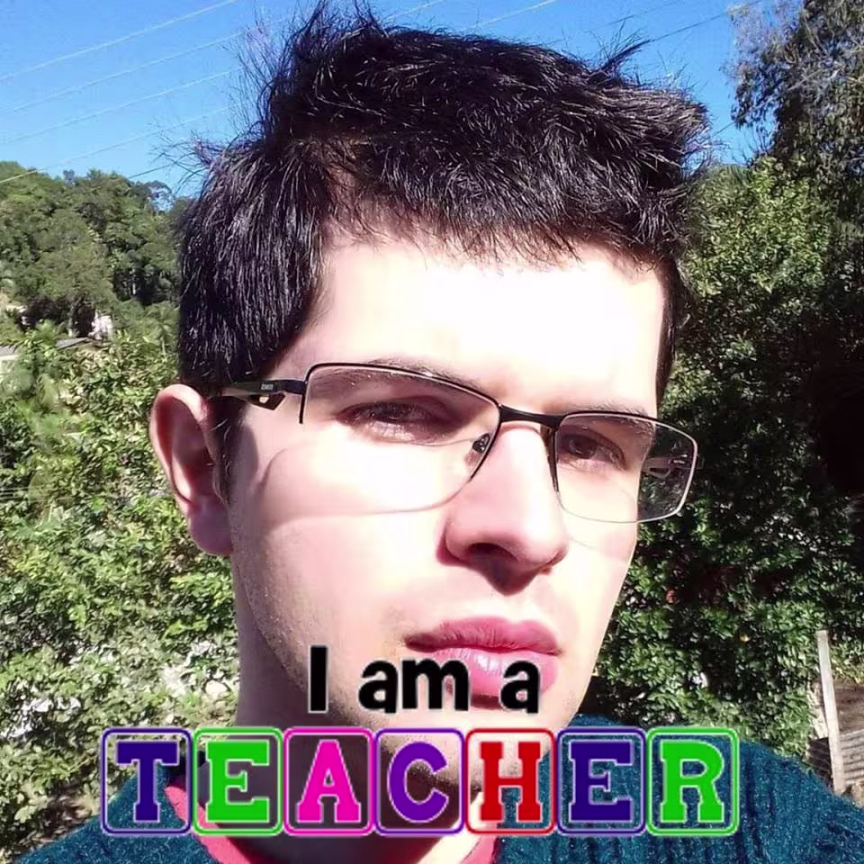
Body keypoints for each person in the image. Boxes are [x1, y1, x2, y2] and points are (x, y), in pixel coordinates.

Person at [21, 4, 864, 863]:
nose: (531, 530)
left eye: (590, 445)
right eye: (399, 412)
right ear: (205, 468)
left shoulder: (754, 833)